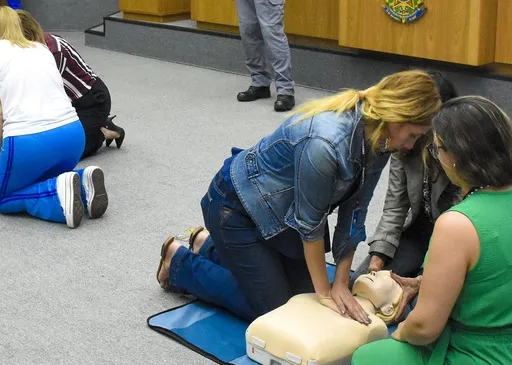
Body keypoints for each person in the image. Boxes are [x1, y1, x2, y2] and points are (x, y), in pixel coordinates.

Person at [157, 70, 443, 321]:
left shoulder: (381, 138)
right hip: (235, 209)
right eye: (414, 135)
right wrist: (324, 296)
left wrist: (341, 282)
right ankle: (179, 263)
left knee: (303, 296)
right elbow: (310, 225)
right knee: (282, 312)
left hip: (283, 214)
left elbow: (356, 210)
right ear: (396, 117)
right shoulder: (325, 142)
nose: (411, 145)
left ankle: (208, 245)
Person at [351, 96, 512, 365]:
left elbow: (425, 328)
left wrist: (400, 334)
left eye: (438, 148)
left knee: (364, 364)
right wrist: (426, 284)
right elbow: (495, 276)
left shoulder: (457, 223)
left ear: (456, 156)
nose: (436, 156)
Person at [0, 7, 109, 228]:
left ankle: (56, 197)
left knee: (3, 198)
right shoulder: (41, 48)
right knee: (41, 175)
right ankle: (83, 180)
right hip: (73, 136)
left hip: (28, 142)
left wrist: (0, 154)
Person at [364, 72, 460, 278]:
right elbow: (395, 206)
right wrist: (379, 253)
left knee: (415, 303)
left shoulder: (458, 155)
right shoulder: (404, 144)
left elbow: (460, 231)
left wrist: (426, 275)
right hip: (417, 231)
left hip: (453, 242)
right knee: (362, 282)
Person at [17, 10, 123, 157]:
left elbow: (45, 94)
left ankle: (103, 132)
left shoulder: (53, 51)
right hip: (71, 103)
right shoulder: (30, 49)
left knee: (65, 152)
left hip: (92, 102)